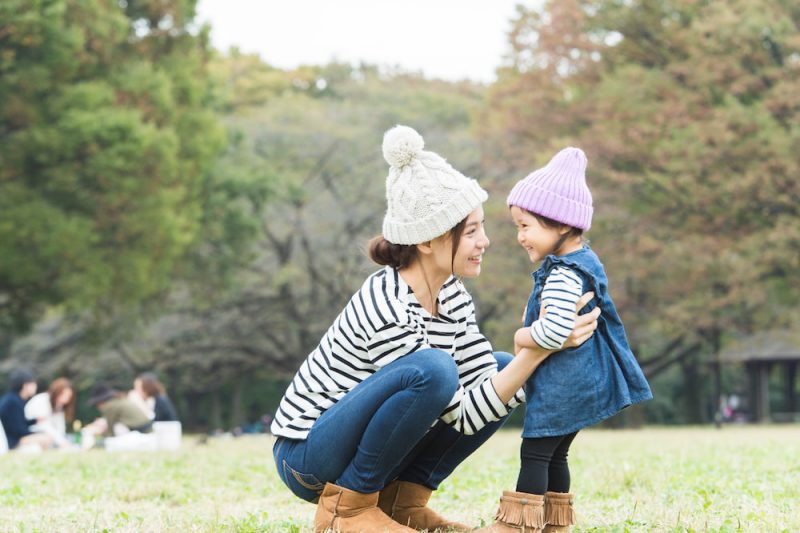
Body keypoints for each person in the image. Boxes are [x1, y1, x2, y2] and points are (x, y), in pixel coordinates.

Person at [270, 126, 600, 533]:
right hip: (308, 456)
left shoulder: (453, 295)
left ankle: (401, 502)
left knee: (498, 366)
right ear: (429, 241)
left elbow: (479, 395)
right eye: (473, 230)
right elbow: (455, 408)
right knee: (436, 370)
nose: (487, 241)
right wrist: (533, 348)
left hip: (362, 450)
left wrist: (541, 340)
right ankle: (347, 510)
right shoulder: (388, 302)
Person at [477, 148, 653, 532]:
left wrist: (520, 335)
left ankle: (516, 526)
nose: (520, 236)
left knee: (535, 453)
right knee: (555, 456)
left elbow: (554, 331)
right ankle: (556, 524)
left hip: (562, 385)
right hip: (578, 382)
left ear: (559, 224)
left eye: (525, 225)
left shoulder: (563, 274)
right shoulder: (584, 260)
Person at [0, 370, 54, 450]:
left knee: (43, 436)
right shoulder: (13, 402)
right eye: (33, 383)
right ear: (25, 385)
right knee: (46, 438)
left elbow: (18, 423)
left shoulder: (13, 399)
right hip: (11, 441)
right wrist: (37, 433)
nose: (36, 386)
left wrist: (35, 420)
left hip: (12, 437)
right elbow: (19, 430)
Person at [24, 377, 76, 449]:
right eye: (63, 395)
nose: (65, 399)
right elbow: (44, 426)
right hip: (31, 433)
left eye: (68, 396)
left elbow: (60, 427)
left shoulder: (59, 406)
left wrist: (64, 442)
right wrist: (62, 442)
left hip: (48, 436)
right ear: (56, 392)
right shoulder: (41, 400)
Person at [85, 383, 153, 437]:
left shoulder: (109, 406)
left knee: (118, 427)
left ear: (100, 402)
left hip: (140, 429)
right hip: (147, 427)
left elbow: (111, 430)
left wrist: (100, 434)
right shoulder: (117, 401)